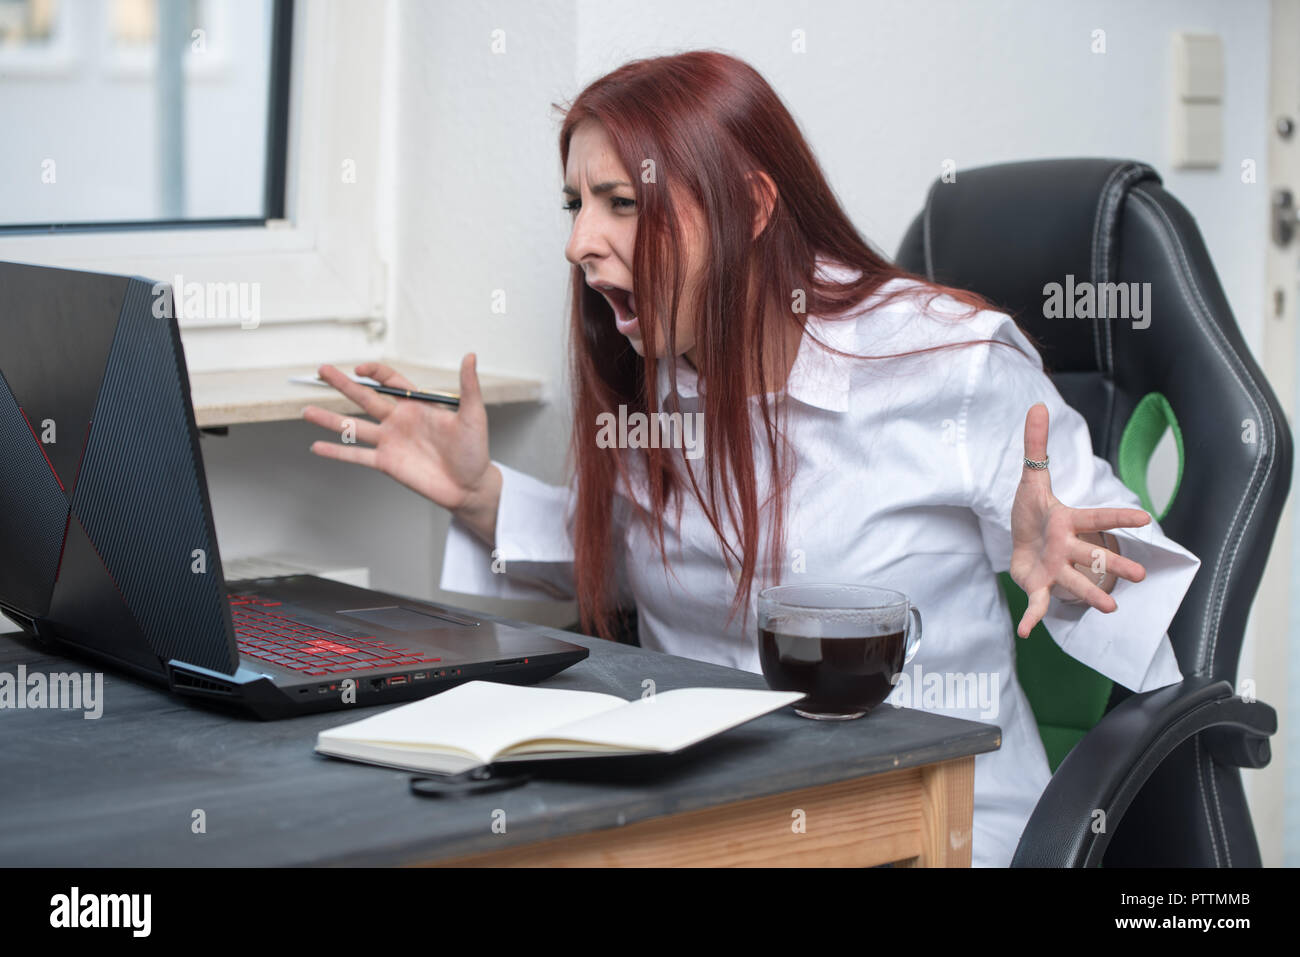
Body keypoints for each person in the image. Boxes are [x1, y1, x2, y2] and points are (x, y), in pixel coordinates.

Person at [302, 50, 1201, 867]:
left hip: (929, 824)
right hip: (714, 815)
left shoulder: (949, 361)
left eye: (623, 202)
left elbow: (1144, 594)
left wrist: (1067, 556)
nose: (581, 243)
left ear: (755, 206)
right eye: (576, 205)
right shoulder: (659, 373)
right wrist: (477, 493)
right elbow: (624, 561)